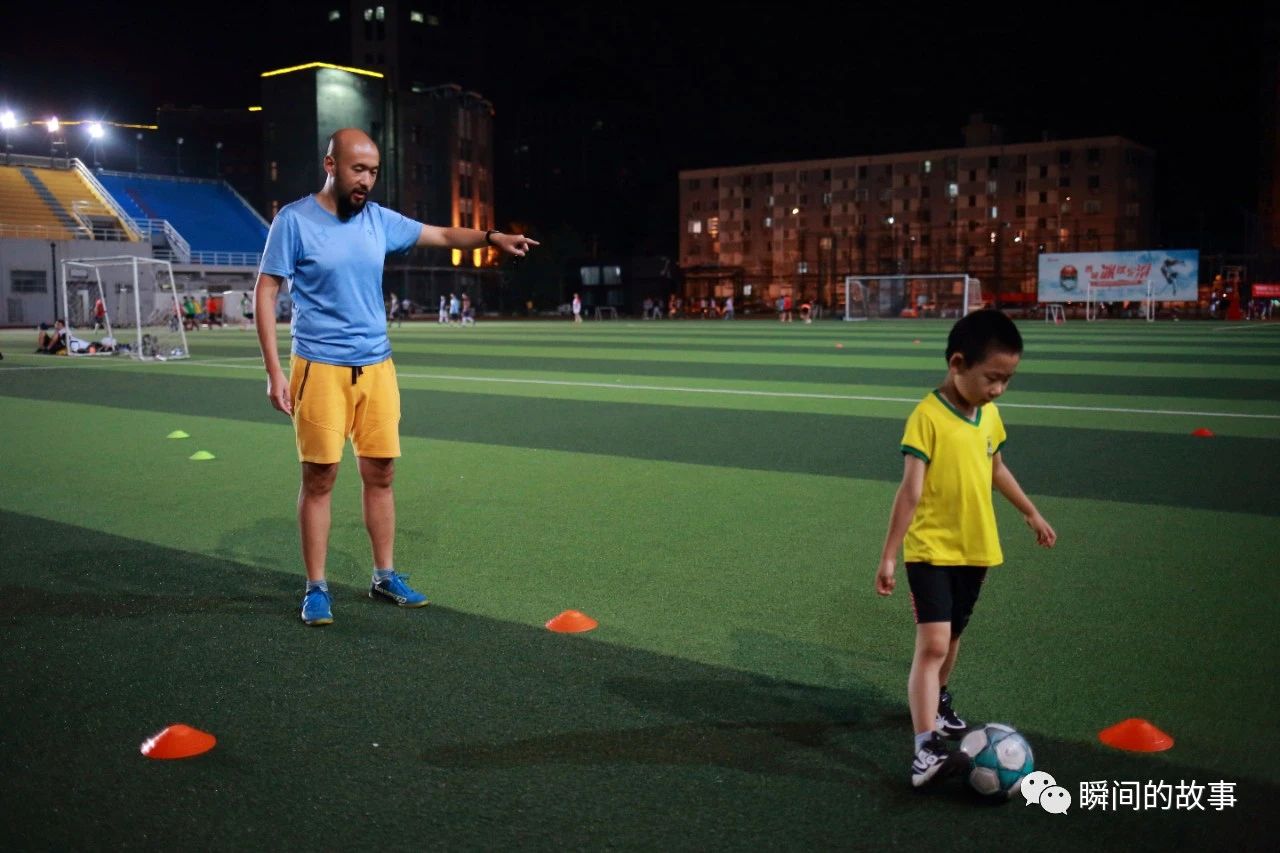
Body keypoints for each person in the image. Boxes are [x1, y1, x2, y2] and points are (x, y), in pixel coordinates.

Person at [252, 128, 538, 627]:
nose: (366, 181)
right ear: (331, 165)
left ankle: (384, 575)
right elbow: (266, 291)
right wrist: (274, 371)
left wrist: (492, 238)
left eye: (374, 172)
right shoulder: (293, 221)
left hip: (378, 367)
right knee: (320, 478)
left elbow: (444, 235)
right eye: (357, 170)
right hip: (318, 366)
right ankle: (315, 587)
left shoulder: (379, 221)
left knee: (381, 473)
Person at [874, 309, 1056, 788]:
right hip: (931, 549)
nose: (998, 389)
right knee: (932, 643)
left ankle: (939, 701)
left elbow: (995, 467)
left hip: (977, 549)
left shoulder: (990, 415)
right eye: (992, 378)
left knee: (952, 639)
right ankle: (924, 750)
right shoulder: (927, 416)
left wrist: (1030, 512)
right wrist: (890, 554)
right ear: (958, 363)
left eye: (1007, 380)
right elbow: (909, 491)